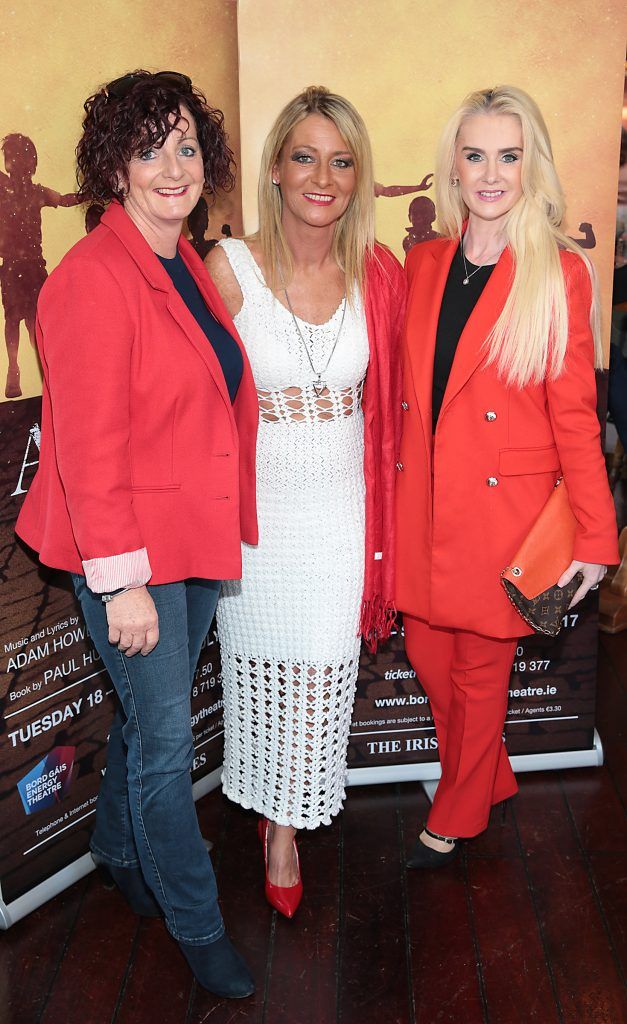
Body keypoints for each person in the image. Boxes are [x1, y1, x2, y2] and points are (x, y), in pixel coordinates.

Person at [15, 70, 258, 999]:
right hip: (129, 555)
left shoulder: (181, 259)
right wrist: (120, 585)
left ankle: (117, 851)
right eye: (148, 147)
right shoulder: (89, 279)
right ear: (112, 165)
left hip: (187, 538)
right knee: (165, 746)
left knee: (147, 725)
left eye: (187, 145)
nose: (172, 166)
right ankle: (198, 928)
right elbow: (88, 449)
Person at [395, 85, 619, 867]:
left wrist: (594, 537)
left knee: (481, 666)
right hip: (421, 502)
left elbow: (574, 420)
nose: (491, 173)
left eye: (509, 156)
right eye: (476, 154)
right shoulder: (422, 263)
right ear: (452, 167)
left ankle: (458, 812)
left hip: (506, 512)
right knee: (426, 653)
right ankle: (488, 777)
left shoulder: (557, 273)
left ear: (532, 165)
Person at [207, 86, 405, 917]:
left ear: (357, 177)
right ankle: (266, 807)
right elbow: (191, 400)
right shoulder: (229, 267)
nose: (322, 176)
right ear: (277, 169)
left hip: (340, 517)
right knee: (263, 675)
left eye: (341, 160)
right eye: (304, 156)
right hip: (253, 524)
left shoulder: (376, 273)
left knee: (322, 675)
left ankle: (285, 828)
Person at [0, 133, 80, 398]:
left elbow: (66, 199)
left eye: (20, 158)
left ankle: (40, 368)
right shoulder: (7, 189)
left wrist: (87, 193)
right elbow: (66, 200)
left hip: (30, 265)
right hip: (15, 265)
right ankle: (15, 369)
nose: (16, 164)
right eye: (11, 158)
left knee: (33, 319)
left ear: (30, 163)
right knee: (15, 318)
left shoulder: (37, 192)